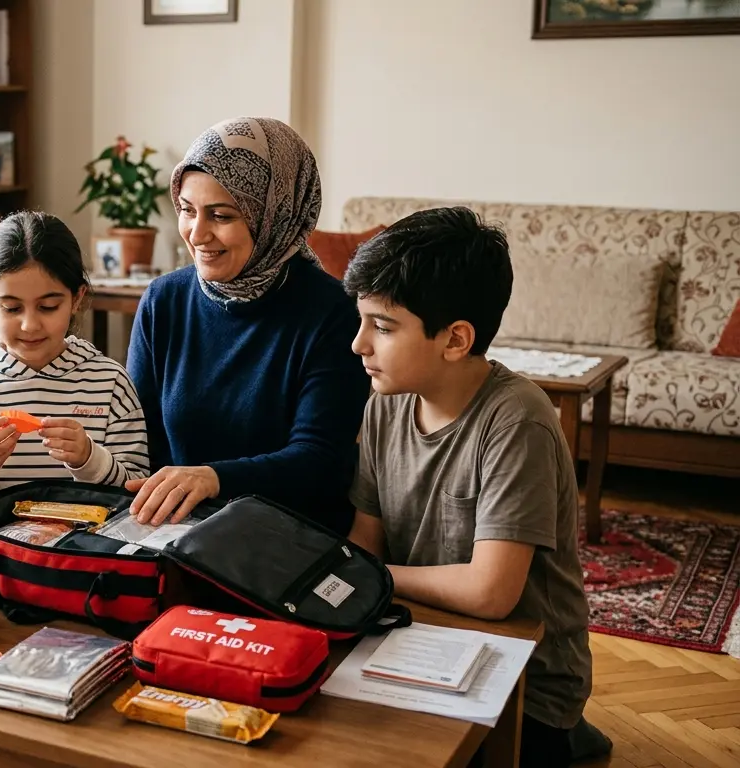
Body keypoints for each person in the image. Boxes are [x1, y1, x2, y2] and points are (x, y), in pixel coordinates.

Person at [341, 207, 603, 767]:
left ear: (456, 339)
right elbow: (366, 539)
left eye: (382, 327)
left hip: (529, 683)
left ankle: (573, 734)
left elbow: (491, 592)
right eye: (361, 321)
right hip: (421, 640)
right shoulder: (386, 406)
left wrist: (368, 578)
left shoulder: (519, 421)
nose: (358, 345)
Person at [125, 117, 369, 533]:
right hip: (177, 531)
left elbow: (319, 459)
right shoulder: (162, 302)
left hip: (287, 536)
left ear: (273, 215)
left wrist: (212, 479)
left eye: (220, 215)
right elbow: (136, 438)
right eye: (186, 210)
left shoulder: (333, 312)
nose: (197, 234)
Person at [0, 211, 148, 507]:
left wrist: (90, 460)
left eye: (48, 306)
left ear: (76, 298)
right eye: (12, 309)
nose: (30, 325)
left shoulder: (110, 383)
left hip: (83, 549)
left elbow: (138, 489)